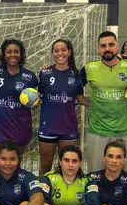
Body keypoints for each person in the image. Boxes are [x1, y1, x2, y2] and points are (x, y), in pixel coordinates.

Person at [81, 31, 127, 173]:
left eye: (111, 44)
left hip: (123, 130)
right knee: (95, 175)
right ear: (98, 49)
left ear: (117, 46)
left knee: (125, 176)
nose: (107, 48)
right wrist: (92, 103)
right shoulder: (89, 68)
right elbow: (77, 93)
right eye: (103, 46)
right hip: (97, 131)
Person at [0, 39, 38, 170]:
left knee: (14, 168)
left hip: (19, 129)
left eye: (16, 52)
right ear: (3, 54)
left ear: (21, 54)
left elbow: (36, 101)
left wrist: (35, 103)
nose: (13, 55)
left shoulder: (29, 77)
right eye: (9, 52)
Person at [38, 39, 89, 177]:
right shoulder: (45, 73)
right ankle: (42, 196)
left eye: (63, 50)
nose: (60, 53)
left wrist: (101, 104)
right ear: (52, 53)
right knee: (45, 167)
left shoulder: (76, 74)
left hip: (68, 128)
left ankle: (64, 196)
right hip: (48, 127)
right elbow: (36, 97)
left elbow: (80, 98)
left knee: (67, 167)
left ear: (69, 52)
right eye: (56, 50)